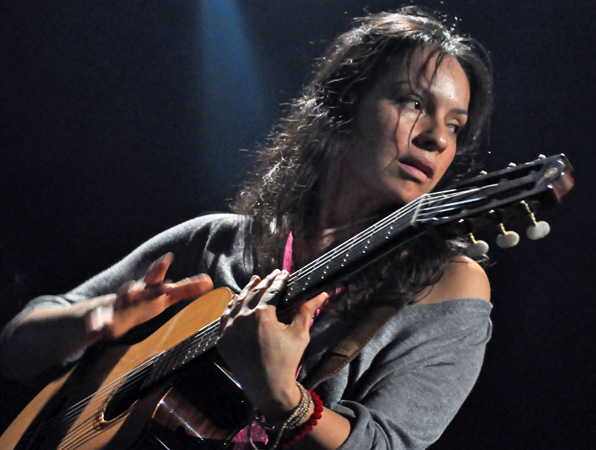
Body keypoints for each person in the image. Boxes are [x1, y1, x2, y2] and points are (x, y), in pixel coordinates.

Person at [0, 6, 494, 449]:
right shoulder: (218, 241)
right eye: (413, 103)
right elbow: (16, 349)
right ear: (344, 103)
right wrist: (100, 317)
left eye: (455, 125)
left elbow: (388, 442)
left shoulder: (448, 285)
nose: (436, 138)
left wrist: (283, 399)